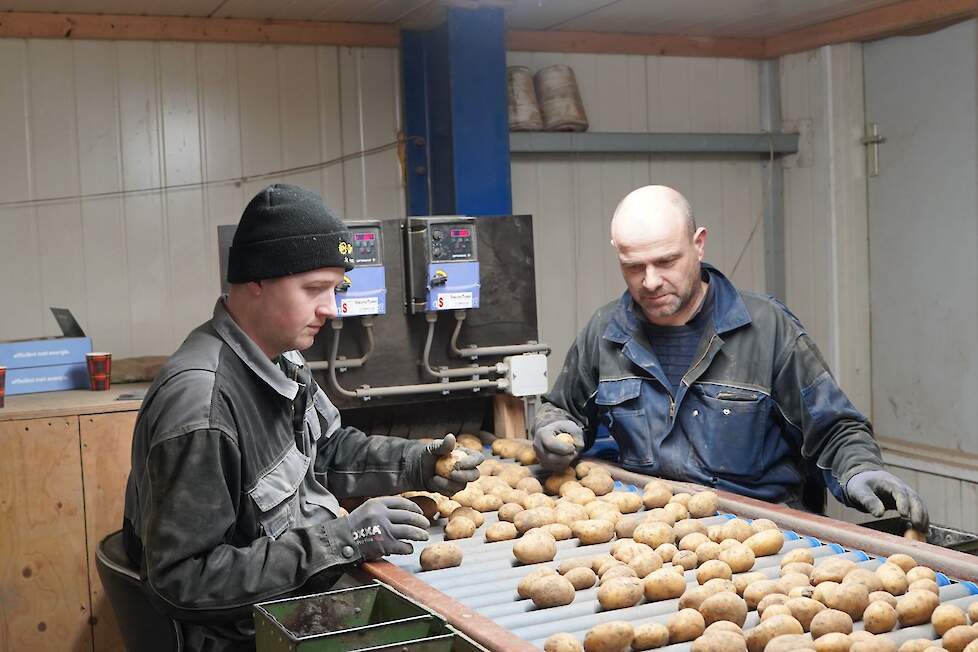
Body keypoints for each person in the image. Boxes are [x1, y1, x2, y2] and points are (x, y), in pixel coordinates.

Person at [122, 184, 482, 651]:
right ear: (256, 281)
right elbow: (184, 581)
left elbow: (327, 448)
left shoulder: (280, 359)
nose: (331, 309)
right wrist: (341, 540)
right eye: (315, 289)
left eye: (337, 289)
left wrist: (419, 462)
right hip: (242, 635)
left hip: (291, 601)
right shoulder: (202, 407)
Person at [532, 185, 928, 529]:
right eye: (634, 267)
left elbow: (834, 429)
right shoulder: (605, 332)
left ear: (698, 244)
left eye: (666, 261)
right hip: (647, 540)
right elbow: (562, 409)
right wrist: (552, 431)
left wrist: (860, 469)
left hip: (759, 538)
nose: (650, 281)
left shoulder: (767, 329)